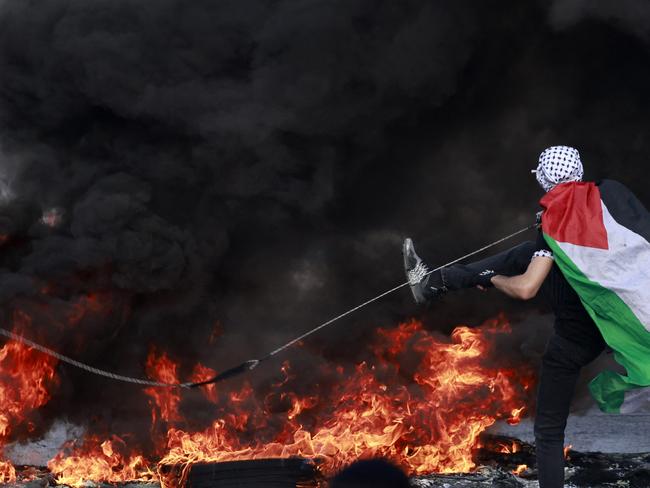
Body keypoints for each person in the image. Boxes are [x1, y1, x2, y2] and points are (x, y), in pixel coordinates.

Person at [403, 146, 621, 488]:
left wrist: (491, 279)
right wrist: (547, 233)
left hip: (578, 337)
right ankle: (434, 283)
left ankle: (435, 284)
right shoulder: (605, 202)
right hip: (616, 324)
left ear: (546, 179)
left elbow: (526, 289)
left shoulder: (557, 222)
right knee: (524, 252)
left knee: (549, 432)